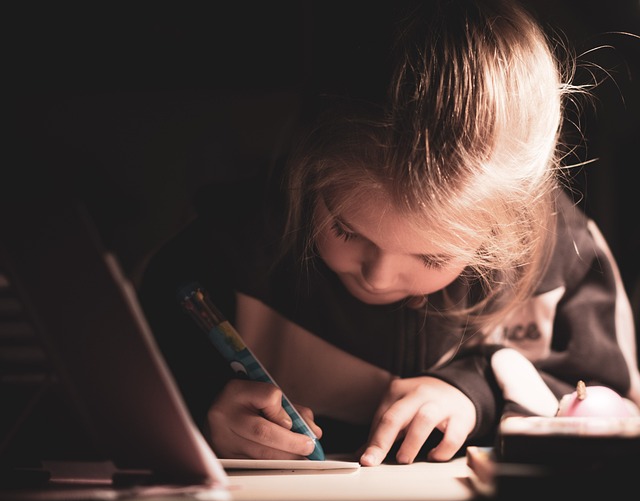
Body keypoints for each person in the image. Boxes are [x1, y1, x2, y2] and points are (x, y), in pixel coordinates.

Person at [139, 0, 640, 467]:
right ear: (309, 169)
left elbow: (611, 407)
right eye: (346, 229)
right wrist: (202, 411)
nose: (378, 277)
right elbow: (121, 392)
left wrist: (478, 393)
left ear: (501, 232)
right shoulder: (230, 247)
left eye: (432, 257)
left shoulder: (566, 255)